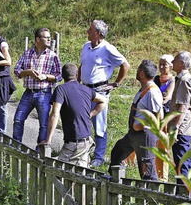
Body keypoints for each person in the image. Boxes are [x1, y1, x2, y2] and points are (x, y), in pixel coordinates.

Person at [79, 19, 130, 167]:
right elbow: (82, 65)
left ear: (98, 33)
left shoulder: (107, 49)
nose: (88, 31)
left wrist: (116, 84)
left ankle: (99, 157)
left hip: (99, 90)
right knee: (83, 119)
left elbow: (125, 65)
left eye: (90, 30)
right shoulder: (86, 46)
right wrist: (77, 82)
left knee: (99, 123)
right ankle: (84, 153)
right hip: (84, 88)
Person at [39, 63, 106, 167]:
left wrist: (48, 140)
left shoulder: (61, 89)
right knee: (80, 173)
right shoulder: (86, 89)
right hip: (86, 140)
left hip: (74, 142)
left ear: (62, 75)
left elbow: (55, 114)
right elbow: (103, 100)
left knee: (58, 171)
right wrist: (91, 114)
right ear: (77, 74)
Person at [109, 60, 164, 180]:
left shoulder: (153, 92)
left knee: (147, 170)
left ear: (142, 74)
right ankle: (115, 182)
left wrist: (140, 126)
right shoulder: (144, 89)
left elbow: (158, 117)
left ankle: (151, 196)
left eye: (139, 69)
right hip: (134, 135)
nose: (137, 71)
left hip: (145, 136)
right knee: (117, 152)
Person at [13, 28, 62, 144]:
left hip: (44, 93)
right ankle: (16, 147)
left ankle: (40, 153)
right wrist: (28, 72)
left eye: (50, 37)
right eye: (46, 37)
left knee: (44, 124)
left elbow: (59, 75)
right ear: (38, 39)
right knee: (18, 120)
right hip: (28, 92)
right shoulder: (27, 53)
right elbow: (16, 71)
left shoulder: (53, 56)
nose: (49, 39)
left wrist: (45, 77)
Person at [168, 51, 191, 180]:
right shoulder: (184, 79)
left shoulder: (184, 80)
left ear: (181, 63)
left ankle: (185, 194)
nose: (172, 63)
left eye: (174, 60)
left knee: (183, 163)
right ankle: (186, 194)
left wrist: (175, 129)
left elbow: (183, 106)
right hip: (185, 128)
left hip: (182, 129)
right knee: (183, 162)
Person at [154, 54, 175, 181]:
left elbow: (167, 97)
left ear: (171, 66)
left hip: (165, 117)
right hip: (154, 115)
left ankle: (163, 176)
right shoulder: (156, 79)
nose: (161, 67)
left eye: (165, 65)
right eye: (160, 64)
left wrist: (156, 98)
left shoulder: (173, 80)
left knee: (163, 145)